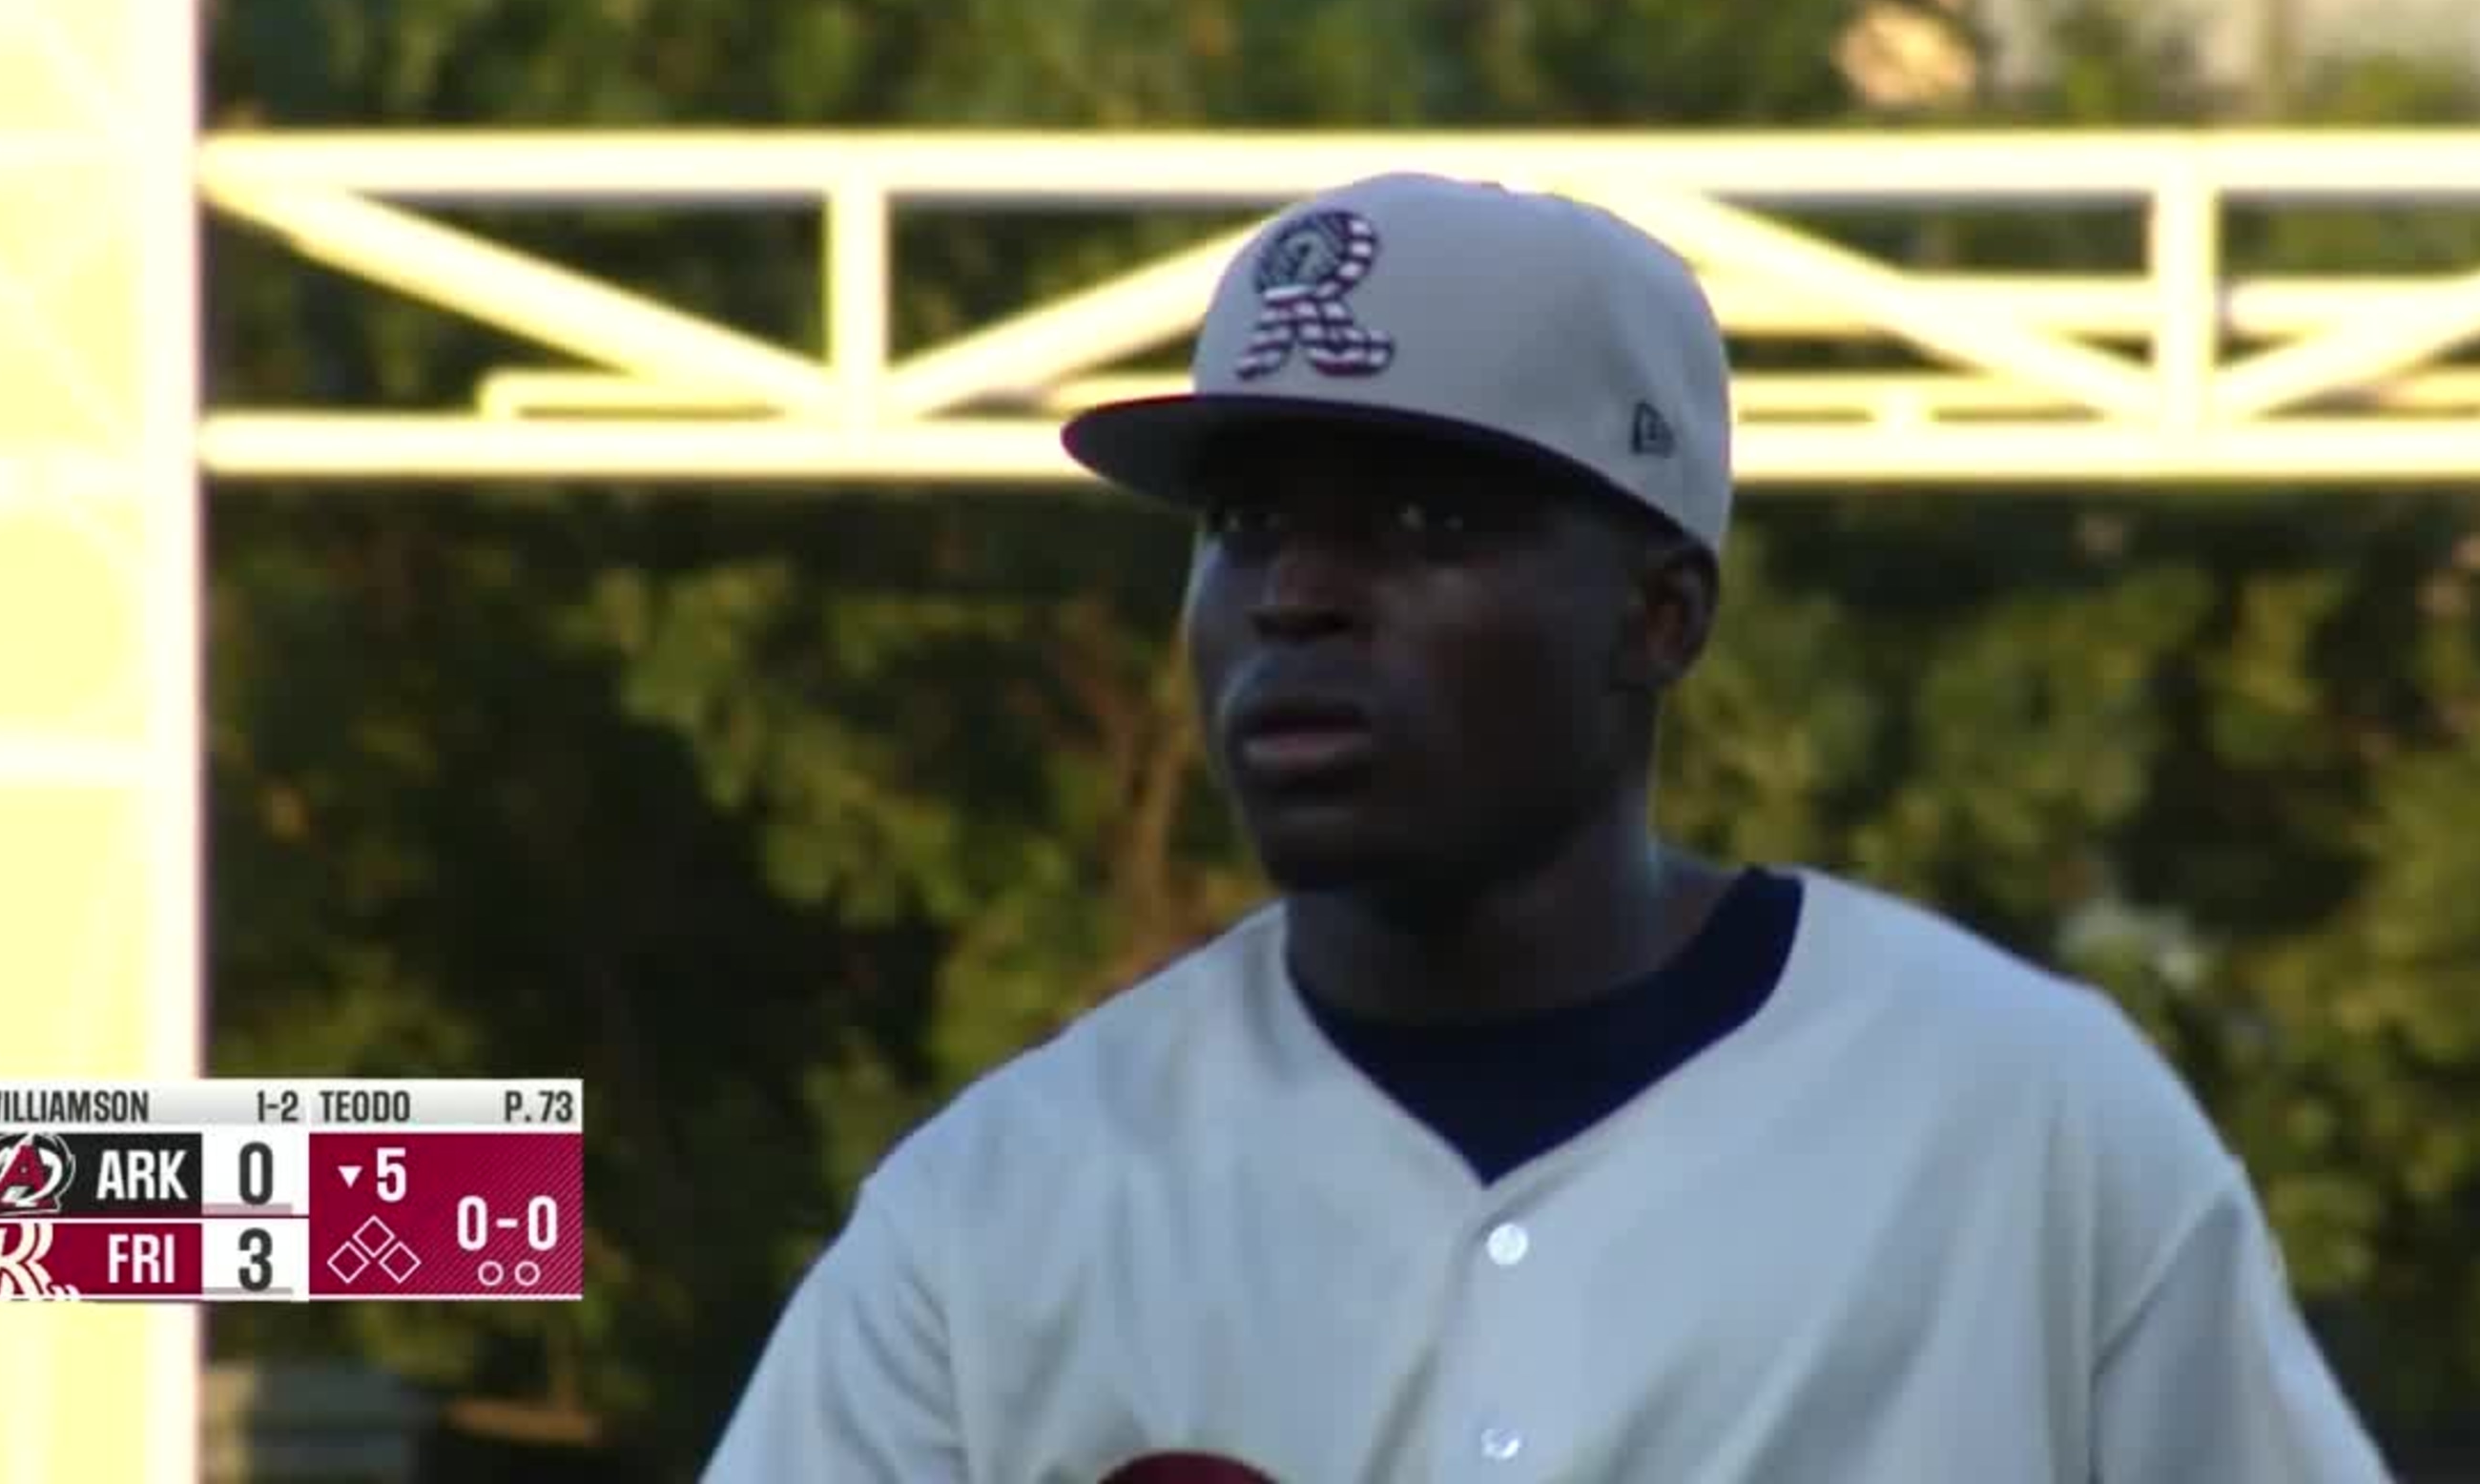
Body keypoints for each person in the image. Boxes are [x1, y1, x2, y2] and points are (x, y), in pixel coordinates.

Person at [702, 174, 2393, 1481]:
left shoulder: (2030, 1125)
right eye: (1246, 521)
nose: (1297, 593)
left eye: (1426, 518)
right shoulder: (1000, 1213)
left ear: (1659, 614)